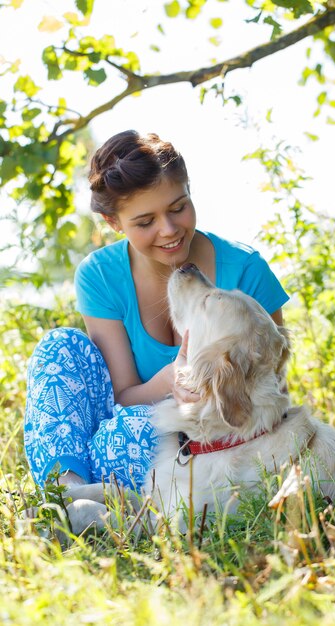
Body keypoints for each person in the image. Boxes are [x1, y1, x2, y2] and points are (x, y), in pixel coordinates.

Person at [24, 130, 289, 491]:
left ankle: (109, 494)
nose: (168, 230)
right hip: (127, 434)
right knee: (60, 345)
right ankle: (68, 492)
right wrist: (169, 381)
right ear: (114, 223)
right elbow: (121, 394)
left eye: (178, 207)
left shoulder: (245, 271)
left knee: (128, 434)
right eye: (145, 222)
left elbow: (273, 389)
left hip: (209, 448)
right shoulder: (99, 275)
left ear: (190, 191)